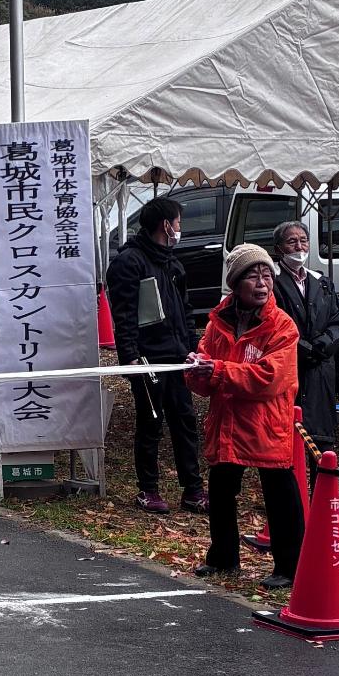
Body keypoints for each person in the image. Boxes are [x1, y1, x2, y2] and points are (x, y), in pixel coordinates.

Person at [185, 244, 305, 587]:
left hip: (267, 422)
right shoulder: (217, 322)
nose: (262, 282)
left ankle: (289, 567)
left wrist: (218, 371)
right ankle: (223, 558)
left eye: (267, 274)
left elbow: (270, 378)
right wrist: (195, 371)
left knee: (280, 493)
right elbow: (206, 377)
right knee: (221, 490)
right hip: (226, 421)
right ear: (235, 283)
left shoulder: (282, 326)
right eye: (253, 275)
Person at [106, 196, 205, 515]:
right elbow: (122, 315)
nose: (180, 229)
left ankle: (193, 490)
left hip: (177, 357)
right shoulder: (129, 262)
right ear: (165, 225)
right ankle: (147, 489)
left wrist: (193, 346)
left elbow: (186, 310)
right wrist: (131, 358)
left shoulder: (173, 263)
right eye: (178, 223)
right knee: (150, 423)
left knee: (185, 422)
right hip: (148, 359)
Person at [270, 220, 339, 451]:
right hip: (289, 367)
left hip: (320, 370)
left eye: (303, 241)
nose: (299, 247)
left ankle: (320, 486)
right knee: (289, 440)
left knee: (322, 441)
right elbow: (274, 326)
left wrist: (322, 346)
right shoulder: (272, 284)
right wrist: (304, 349)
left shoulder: (322, 283)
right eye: (291, 241)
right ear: (278, 249)